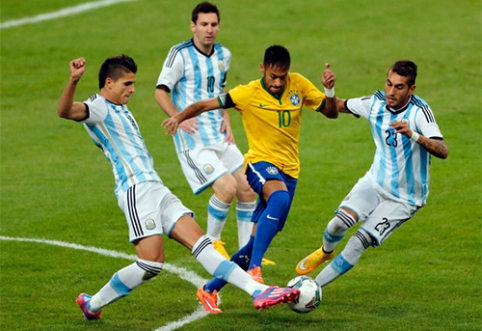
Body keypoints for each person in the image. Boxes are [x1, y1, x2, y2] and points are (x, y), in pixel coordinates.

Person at [57, 55, 300, 320]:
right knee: (151, 263)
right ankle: (92, 305)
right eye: (127, 83)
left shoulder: (120, 107)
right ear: (109, 83)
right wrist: (73, 80)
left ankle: (258, 291)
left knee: (203, 245)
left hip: (156, 187)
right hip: (136, 192)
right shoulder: (99, 107)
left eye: (133, 83)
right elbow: (66, 111)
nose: (133, 89)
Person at [162, 45, 338, 313]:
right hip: (259, 164)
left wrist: (329, 90)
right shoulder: (247, 93)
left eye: (282, 77)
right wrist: (177, 117)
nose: (278, 83)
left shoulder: (299, 85)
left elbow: (331, 111)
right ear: (262, 69)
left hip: (290, 172)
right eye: (272, 76)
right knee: (278, 198)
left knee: (254, 242)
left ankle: (209, 289)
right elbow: (202, 105)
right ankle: (256, 272)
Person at [295, 60, 449, 289]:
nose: (391, 91)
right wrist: (328, 90)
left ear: (411, 89)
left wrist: (413, 134)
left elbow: (443, 150)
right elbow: (336, 107)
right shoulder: (375, 103)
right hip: (375, 183)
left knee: (359, 243)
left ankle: (311, 289)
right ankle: (325, 252)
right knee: (336, 224)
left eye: (399, 87)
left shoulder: (419, 112)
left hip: (404, 199)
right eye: (389, 84)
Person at [155, 1, 267, 263]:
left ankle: (245, 254)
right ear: (193, 26)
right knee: (226, 188)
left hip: (218, 134)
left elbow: (220, 90)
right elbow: (161, 91)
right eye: (203, 24)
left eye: (214, 24)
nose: (209, 30)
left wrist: (226, 117)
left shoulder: (223, 55)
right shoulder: (179, 54)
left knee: (248, 189)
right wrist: (178, 118)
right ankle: (213, 244)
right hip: (193, 140)